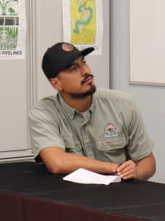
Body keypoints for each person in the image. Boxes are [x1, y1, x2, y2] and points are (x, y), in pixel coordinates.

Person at [29, 42, 156, 181]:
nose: (86, 71)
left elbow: (148, 162)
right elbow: (58, 163)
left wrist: (136, 172)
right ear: (56, 84)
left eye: (84, 62)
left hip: (119, 194)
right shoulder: (43, 113)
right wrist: (115, 168)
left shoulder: (123, 104)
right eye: (73, 69)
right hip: (71, 196)